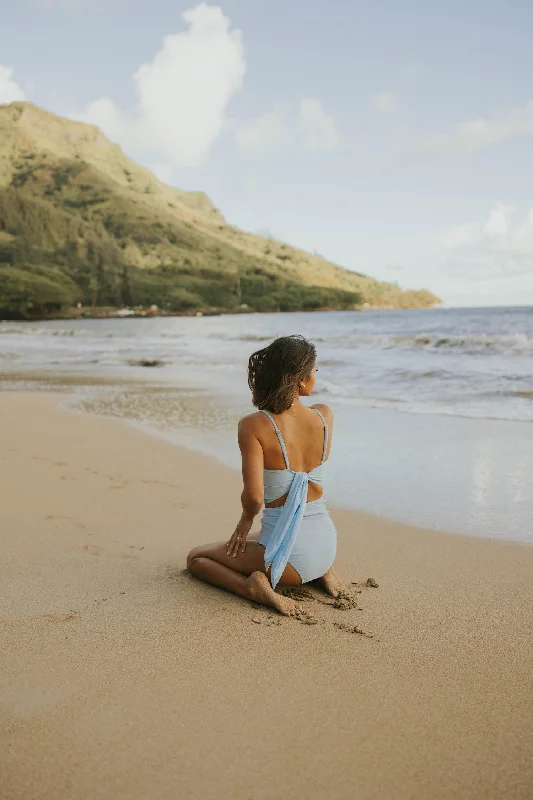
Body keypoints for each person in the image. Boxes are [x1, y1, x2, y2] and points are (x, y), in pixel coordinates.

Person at [187, 335, 345, 617]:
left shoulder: (254, 425)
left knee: (197, 557)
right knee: (254, 540)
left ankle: (251, 587)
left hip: (292, 563)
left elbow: (255, 496)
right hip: (327, 545)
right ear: (300, 378)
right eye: (314, 371)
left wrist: (245, 522)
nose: (316, 378)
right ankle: (323, 572)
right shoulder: (325, 416)